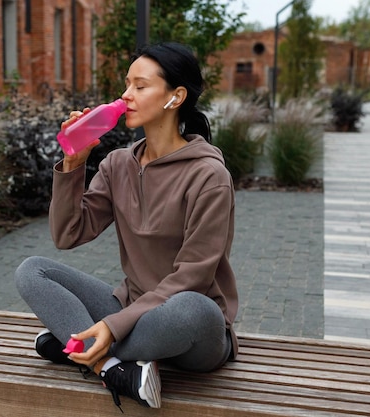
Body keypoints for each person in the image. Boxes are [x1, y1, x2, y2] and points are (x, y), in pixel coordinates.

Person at [14, 42, 238, 412]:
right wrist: (74, 163)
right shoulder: (118, 164)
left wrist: (112, 327)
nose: (126, 95)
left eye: (140, 86)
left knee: (190, 309)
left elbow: (192, 278)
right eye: (126, 85)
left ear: (175, 96)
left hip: (190, 328)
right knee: (32, 270)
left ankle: (75, 346)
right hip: (129, 308)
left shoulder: (209, 176)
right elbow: (68, 234)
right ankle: (111, 368)